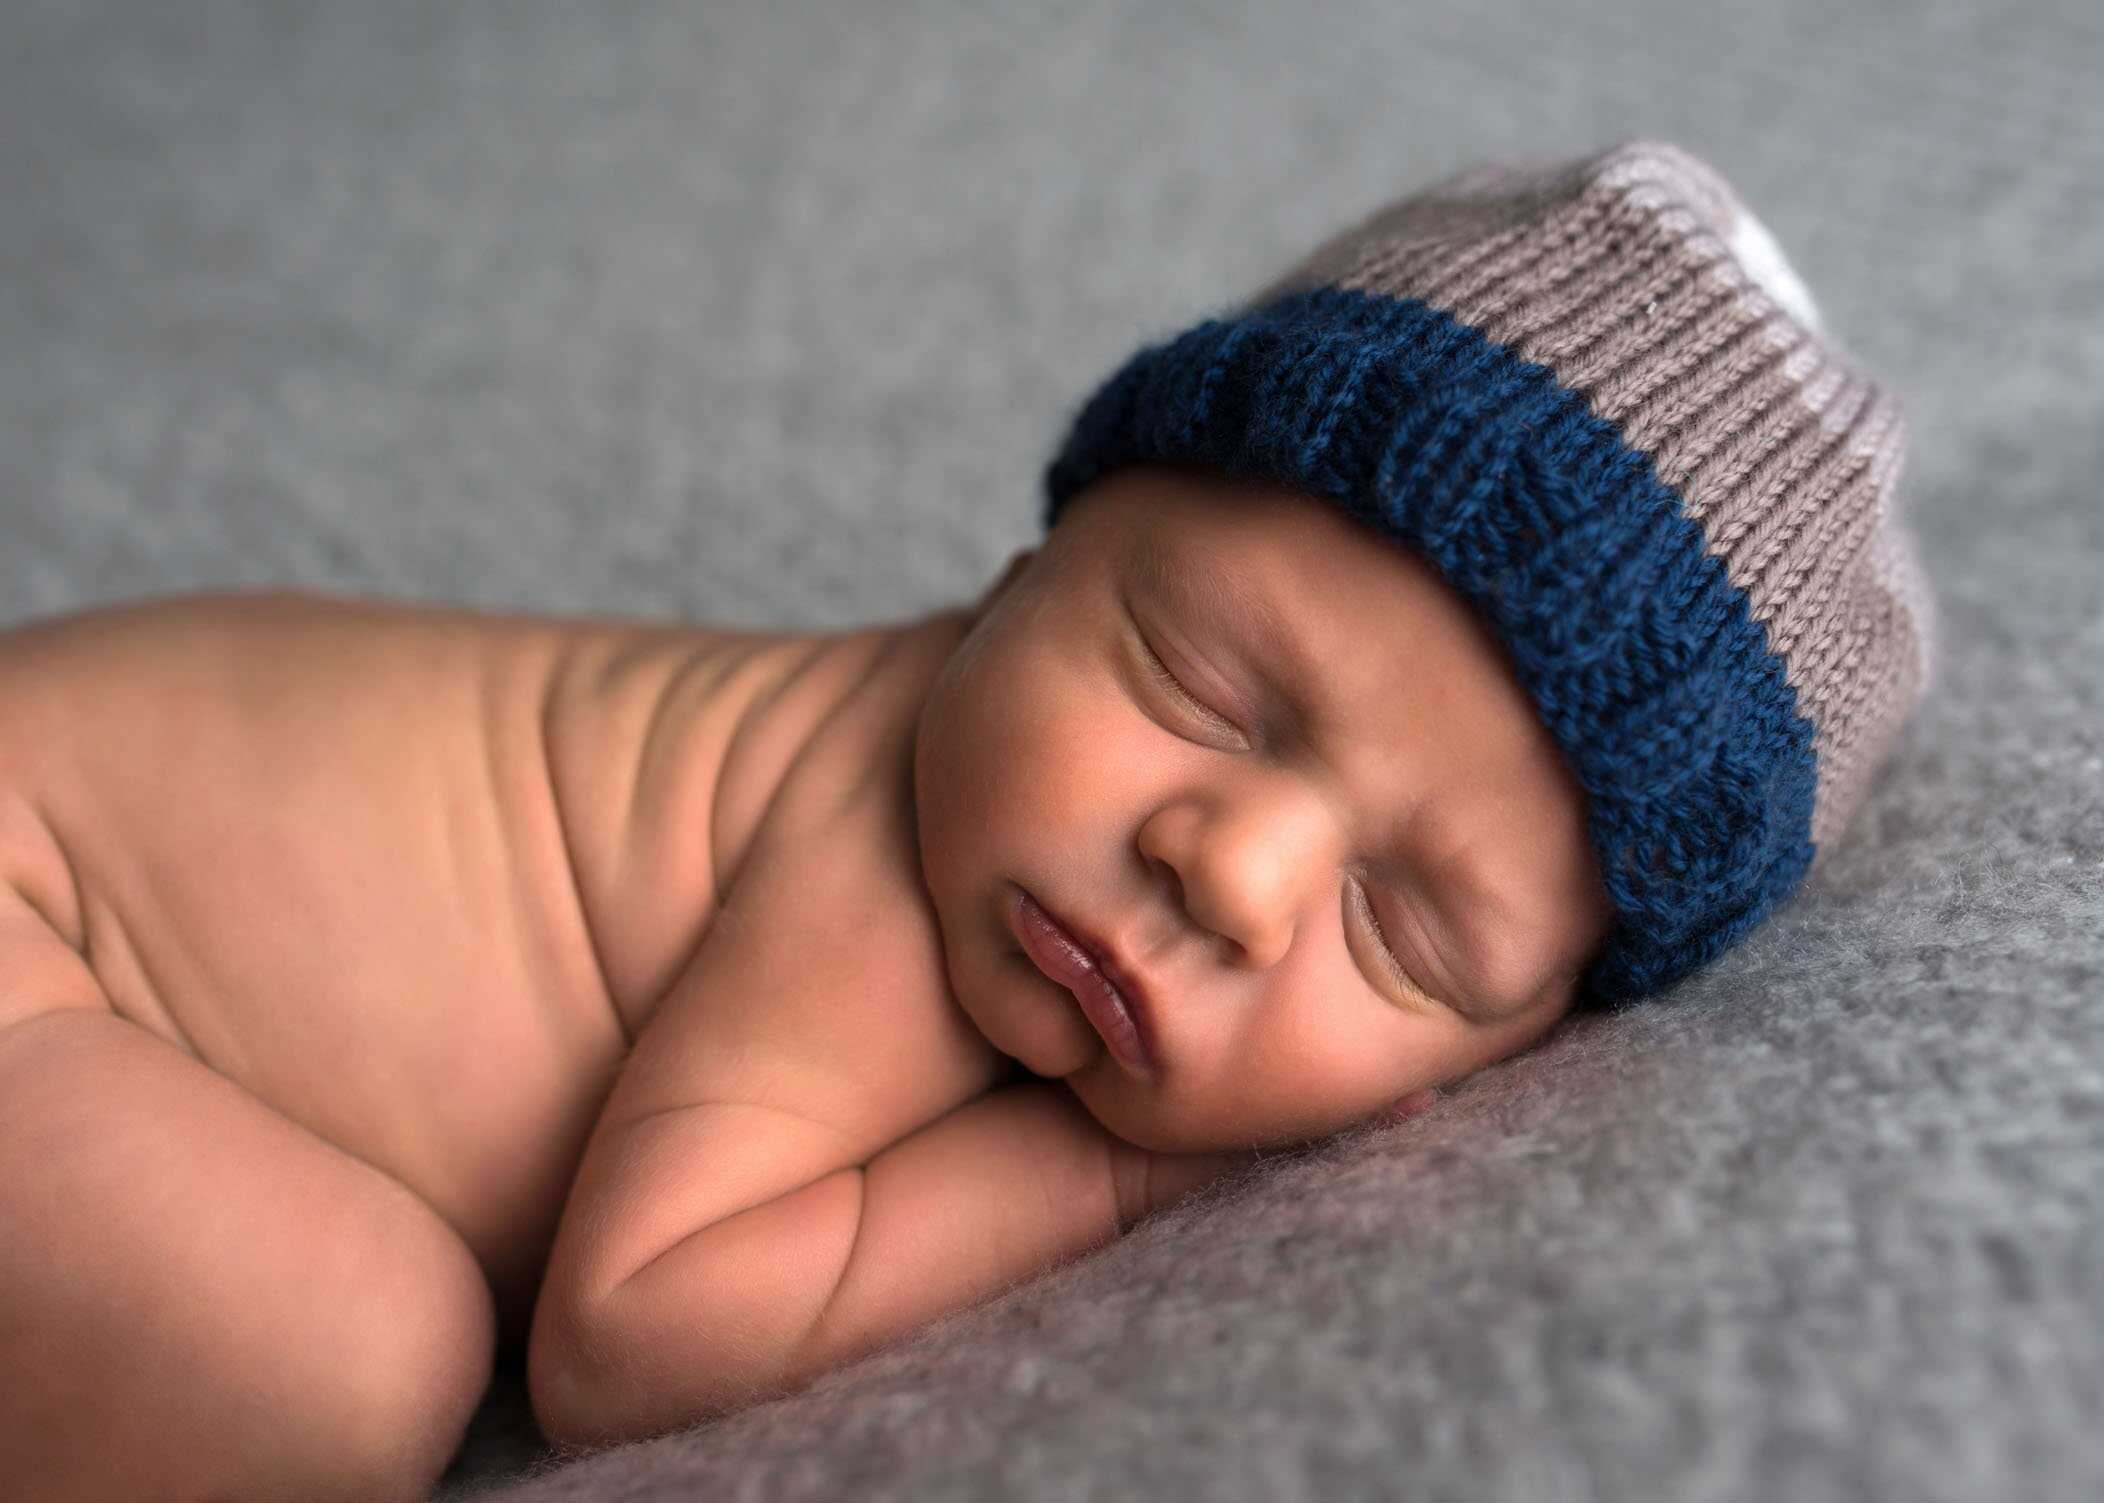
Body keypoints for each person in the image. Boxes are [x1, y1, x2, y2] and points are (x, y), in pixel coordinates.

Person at [0, 138, 1935, 1493]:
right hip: (34, 884)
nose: (1234, 870)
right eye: (1194, 683)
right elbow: (626, 1331)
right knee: (340, 1353)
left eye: (1404, 932)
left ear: (1532, 1032)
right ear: (1024, 570)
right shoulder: (879, 832)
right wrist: (1122, 1179)